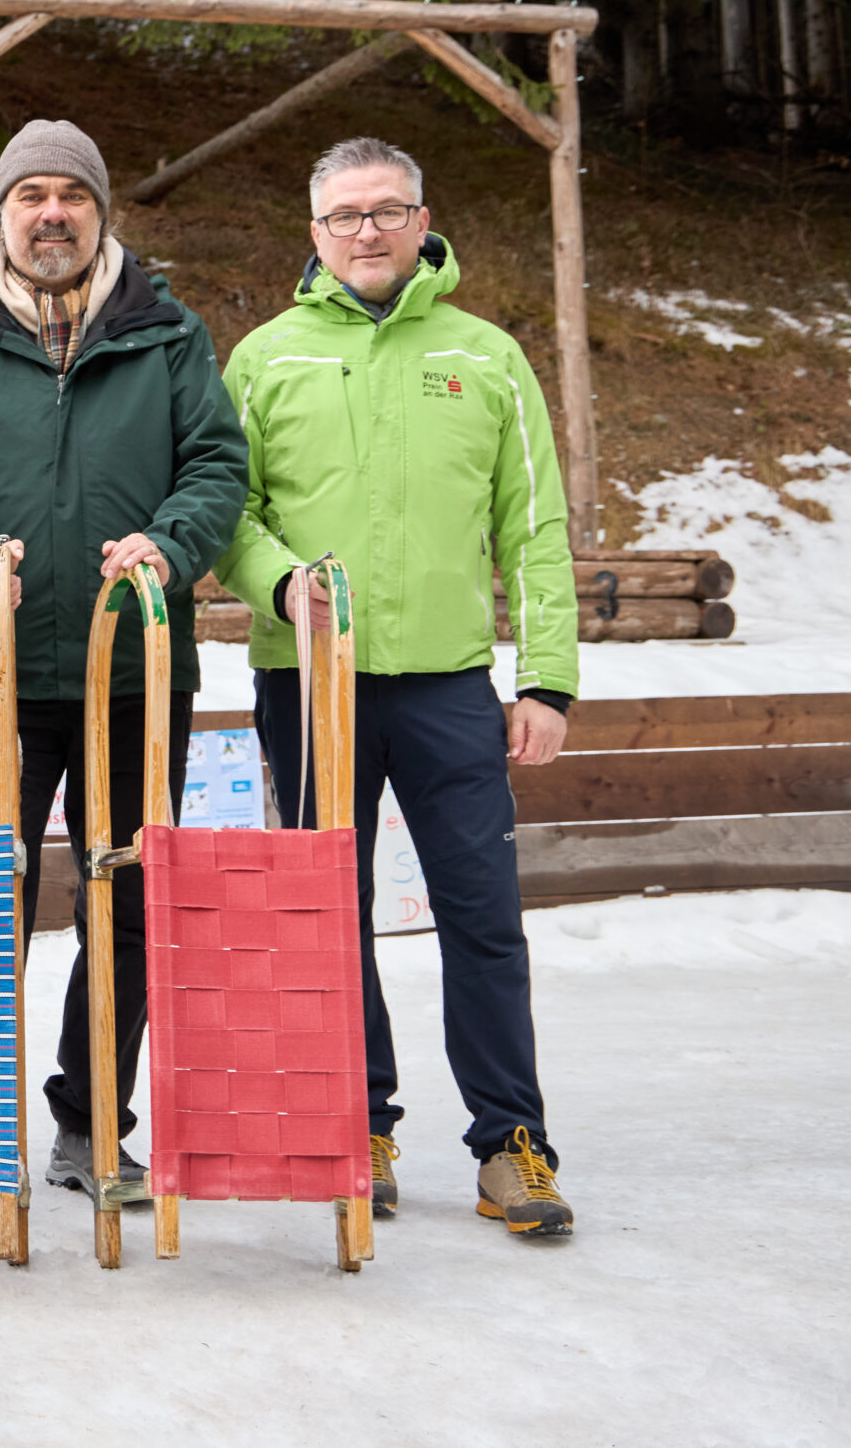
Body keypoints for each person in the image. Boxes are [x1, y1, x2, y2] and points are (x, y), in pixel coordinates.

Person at [217, 136, 579, 1237]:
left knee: (483, 915)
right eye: (344, 215)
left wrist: (547, 680)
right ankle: (353, 1126)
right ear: (314, 233)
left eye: (386, 210)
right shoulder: (265, 358)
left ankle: (510, 1144)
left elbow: (533, 528)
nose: (365, 230)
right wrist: (279, 585)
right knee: (323, 917)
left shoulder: (486, 358)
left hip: (447, 687)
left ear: (423, 222)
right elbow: (226, 510)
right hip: (308, 684)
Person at [0, 120, 247, 1241]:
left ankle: (92, 1123)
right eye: (31, 194)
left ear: (101, 212)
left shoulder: (166, 333)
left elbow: (215, 464)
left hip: (133, 669)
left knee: (126, 905)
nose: (52, 213)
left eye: (73, 195)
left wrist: (169, 545)